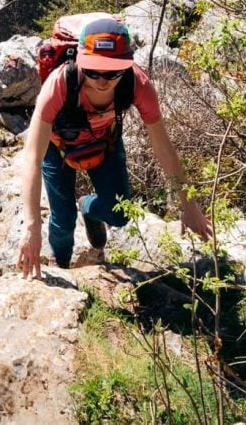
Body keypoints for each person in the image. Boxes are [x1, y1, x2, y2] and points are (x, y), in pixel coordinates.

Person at [16, 16, 213, 280]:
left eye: (113, 72)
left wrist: (188, 205)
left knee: (120, 214)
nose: (103, 80)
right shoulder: (60, 84)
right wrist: (31, 227)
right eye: (93, 70)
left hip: (104, 143)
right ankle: (62, 270)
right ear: (80, 61)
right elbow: (32, 157)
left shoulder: (137, 85)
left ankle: (89, 208)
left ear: (127, 66)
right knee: (62, 220)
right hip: (58, 148)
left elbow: (163, 147)